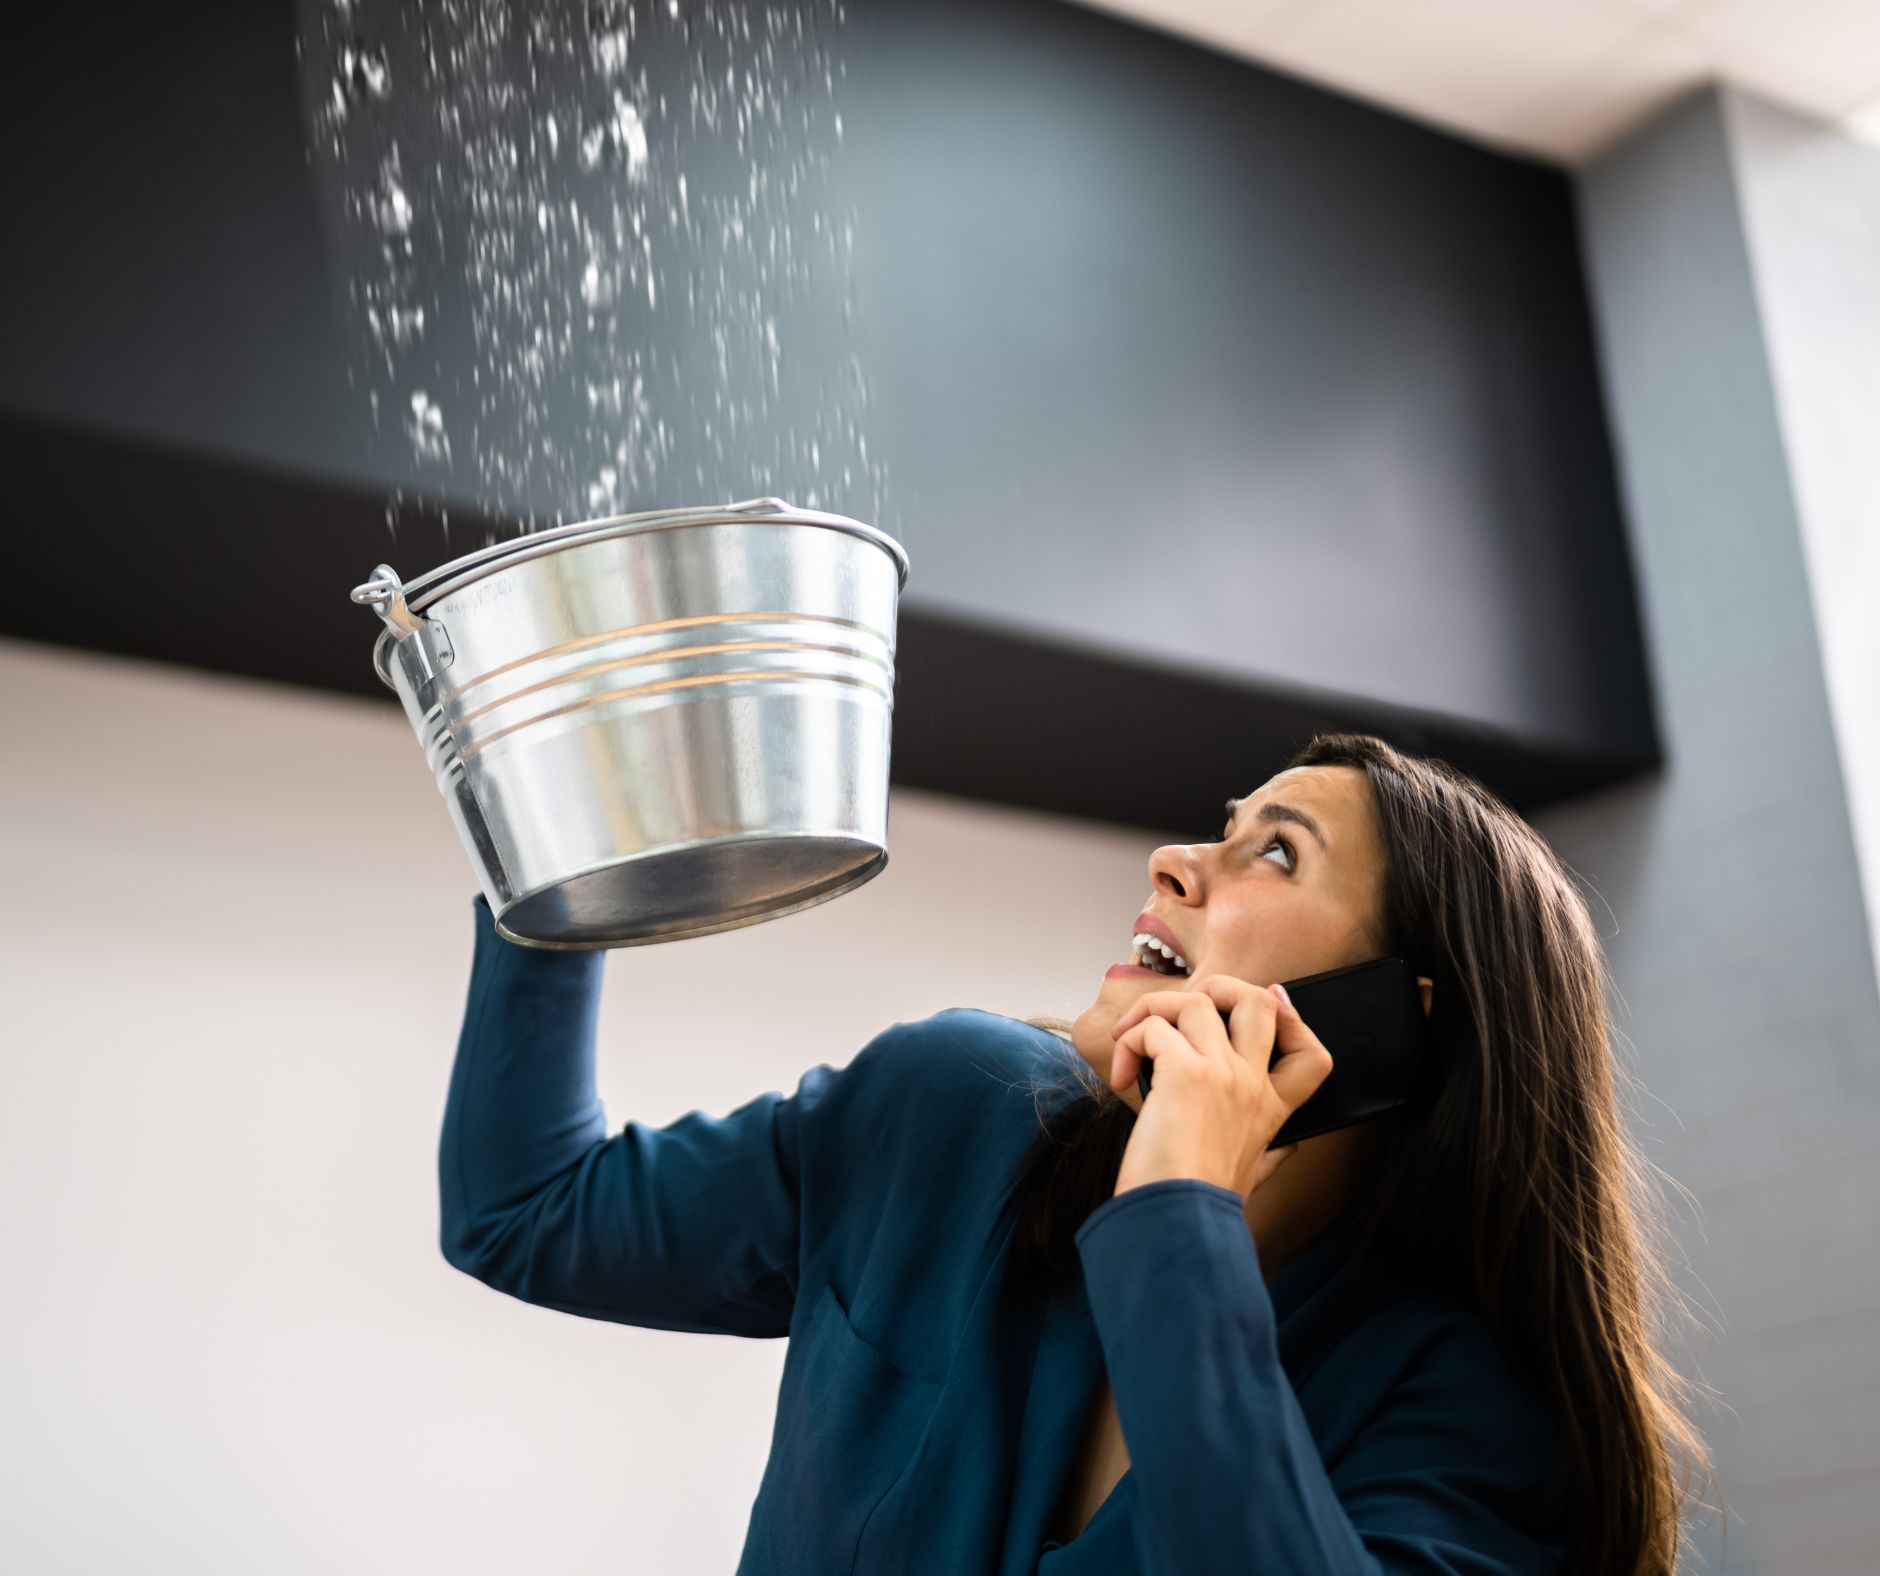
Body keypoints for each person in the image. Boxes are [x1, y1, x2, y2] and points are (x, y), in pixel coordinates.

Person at [438, 731, 1718, 1575]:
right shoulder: (943, 1109)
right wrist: (546, 851)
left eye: (1271, 850)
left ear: (1393, 1021)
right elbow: (525, 1208)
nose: (1175, 859)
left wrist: (1178, 1212)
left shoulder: (1465, 1428)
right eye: (1218, 826)